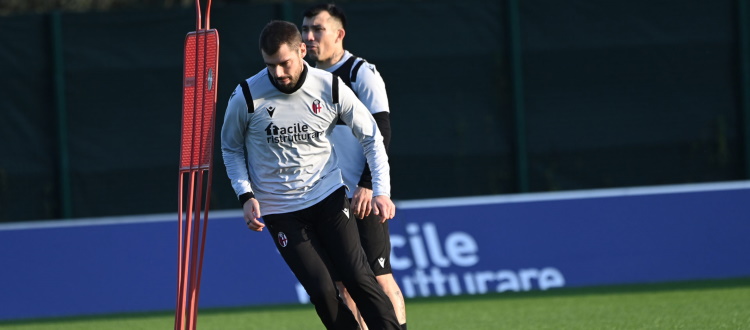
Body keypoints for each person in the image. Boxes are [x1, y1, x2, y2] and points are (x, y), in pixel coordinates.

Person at [221, 20, 400, 330]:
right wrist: (245, 194)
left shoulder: (328, 86)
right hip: (281, 210)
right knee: (322, 291)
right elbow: (230, 149)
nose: (278, 73)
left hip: (328, 197)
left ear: (301, 50)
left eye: (284, 63)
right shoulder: (246, 96)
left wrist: (380, 190)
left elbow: (371, 135)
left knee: (359, 278)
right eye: (270, 65)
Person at [302, 4, 406, 330]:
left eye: (317, 29)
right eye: (305, 29)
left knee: (379, 276)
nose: (308, 36)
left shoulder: (361, 73)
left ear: (339, 34)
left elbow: (381, 131)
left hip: (362, 194)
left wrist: (369, 184)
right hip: (325, 196)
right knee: (343, 284)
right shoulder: (305, 79)